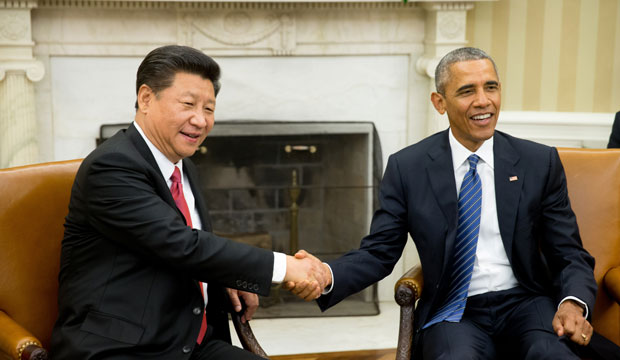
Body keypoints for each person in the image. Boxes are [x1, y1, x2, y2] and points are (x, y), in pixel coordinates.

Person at [288, 47, 606, 359]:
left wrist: (573, 302)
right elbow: (379, 253)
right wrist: (328, 275)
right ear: (439, 103)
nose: (483, 101)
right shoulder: (407, 168)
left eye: (491, 87)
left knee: (552, 354)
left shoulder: (538, 162)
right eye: (467, 91)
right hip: (455, 308)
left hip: (527, 301)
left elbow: (569, 253)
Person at [50, 45, 326, 359]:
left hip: (189, 342)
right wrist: (286, 266)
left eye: (209, 109)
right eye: (188, 104)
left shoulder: (184, 167)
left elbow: (189, 250)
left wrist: (228, 276)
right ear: (146, 98)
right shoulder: (111, 166)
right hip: (122, 348)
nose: (200, 120)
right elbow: (181, 245)